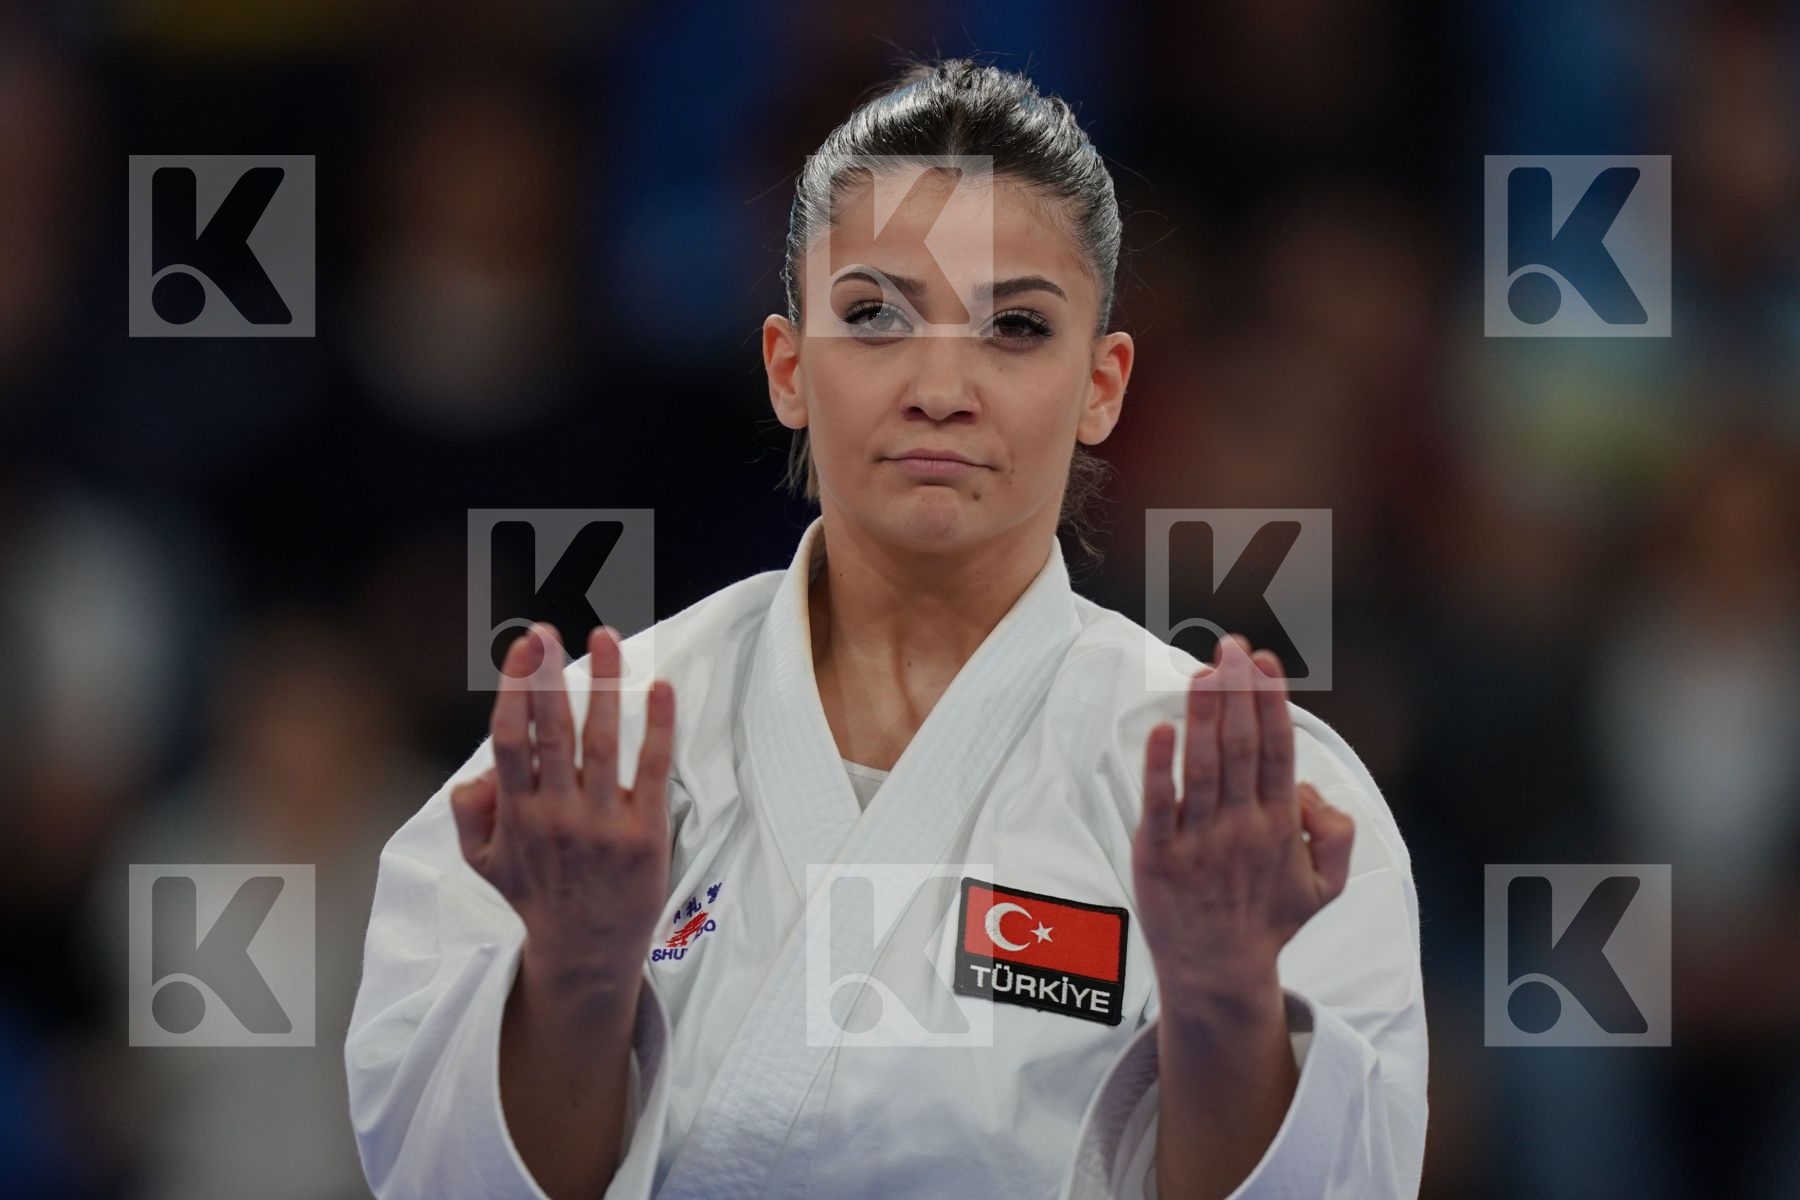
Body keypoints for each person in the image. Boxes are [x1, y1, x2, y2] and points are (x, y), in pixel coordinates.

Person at [345, 58, 1427, 1200]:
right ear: (788, 366)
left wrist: (1220, 1006)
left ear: (1104, 384)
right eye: (873, 316)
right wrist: (571, 978)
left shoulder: (1249, 805)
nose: (940, 387)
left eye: (1015, 326)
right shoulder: (585, 766)